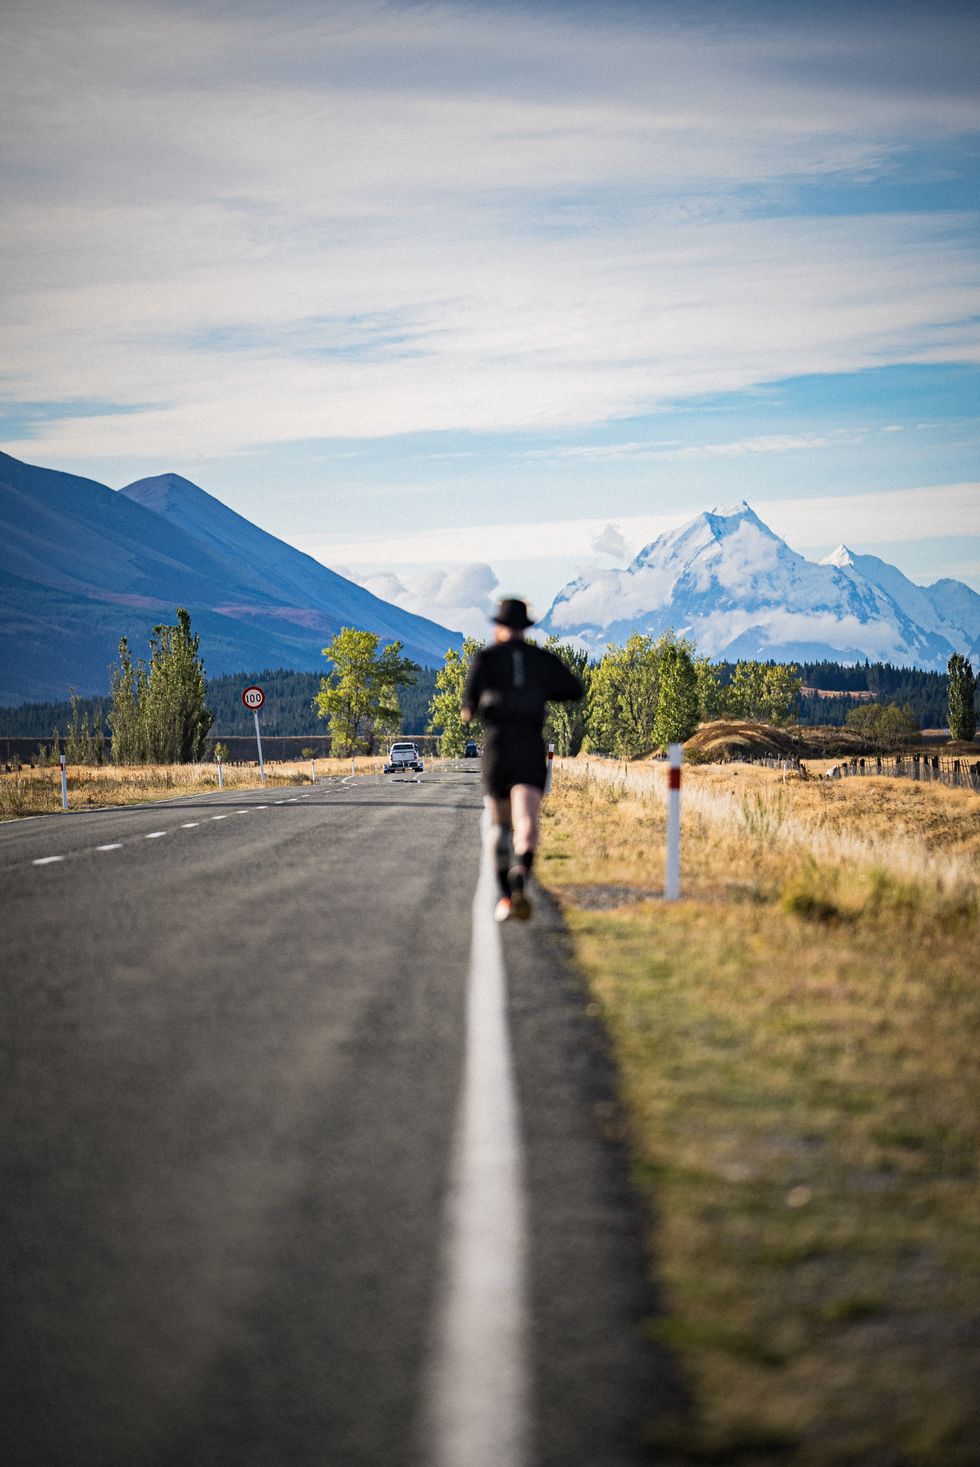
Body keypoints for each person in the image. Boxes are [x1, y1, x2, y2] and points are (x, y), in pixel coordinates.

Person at [462, 598, 584, 922]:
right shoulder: (541, 659)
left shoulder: (485, 659)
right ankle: (522, 874)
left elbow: (467, 709)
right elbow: (573, 689)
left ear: (498, 626)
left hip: (498, 747)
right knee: (527, 818)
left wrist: (485, 705)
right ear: (525, 628)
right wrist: (540, 691)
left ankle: (504, 897)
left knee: (501, 824)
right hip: (530, 745)